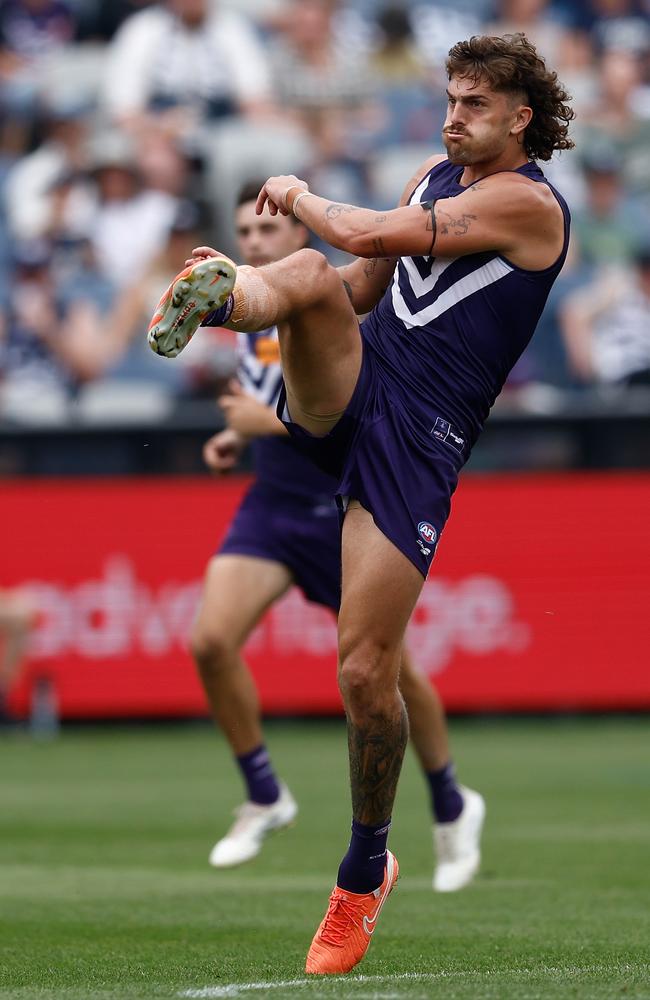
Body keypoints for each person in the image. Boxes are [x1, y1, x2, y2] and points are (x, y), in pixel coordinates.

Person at [148, 33, 573, 976]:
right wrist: (265, 300)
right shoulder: (435, 175)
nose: (453, 115)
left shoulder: (527, 203)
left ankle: (364, 869)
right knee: (300, 281)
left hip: (421, 443)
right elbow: (357, 282)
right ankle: (225, 299)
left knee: (362, 671)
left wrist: (296, 193)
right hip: (359, 387)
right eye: (450, 98)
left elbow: (368, 236)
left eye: (473, 104)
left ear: (520, 118)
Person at [189, 180, 485, 891]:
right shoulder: (254, 321)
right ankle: (264, 794)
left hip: (337, 503)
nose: (254, 242)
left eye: (265, 233)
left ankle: (451, 805)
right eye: (245, 234)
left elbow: (330, 410)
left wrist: (271, 426)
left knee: (387, 676)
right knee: (209, 640)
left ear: (300, 243)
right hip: (273, 506)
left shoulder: (327, 304)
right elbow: (266, 403)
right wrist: (236, 436)